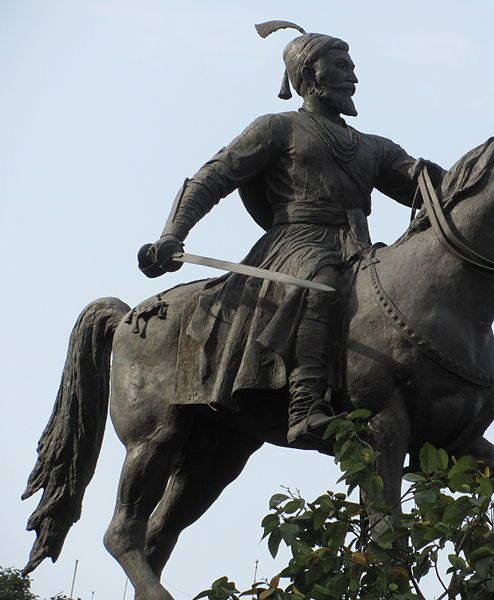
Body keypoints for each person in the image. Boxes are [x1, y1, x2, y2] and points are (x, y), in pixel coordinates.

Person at [138, 22, 443, 447]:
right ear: (310, 73)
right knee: (320, 282)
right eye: (341, 65)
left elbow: (427, 189)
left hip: (356, 245)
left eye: (353, 66)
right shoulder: (276, 128)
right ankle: (305, 405)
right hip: (295, 243)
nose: (353, 75)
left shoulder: (373, 146)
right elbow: (215, 176)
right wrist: (173, 233)